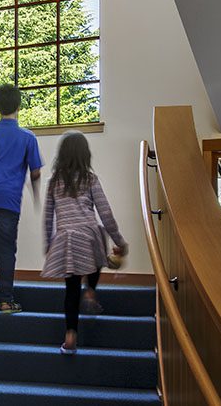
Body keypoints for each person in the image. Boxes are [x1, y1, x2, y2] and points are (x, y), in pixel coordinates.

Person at [42, 131, 128, 354]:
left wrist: (48, 244)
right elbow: (105, 213)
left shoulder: (54, 183)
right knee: (97, 250)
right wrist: (119, 240)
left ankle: (70, 337)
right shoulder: (90, 179)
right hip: (90, 234)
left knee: (71, 290)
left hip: (67, 238)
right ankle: (90, 290)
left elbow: (48, 216)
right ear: (85, 154)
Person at [0, 84, 43, 313]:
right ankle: (5, 299)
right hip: (7, 196)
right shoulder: (27, 137)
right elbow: (36, 172)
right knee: (7, 247)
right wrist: (36, 194)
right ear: (18, 106)